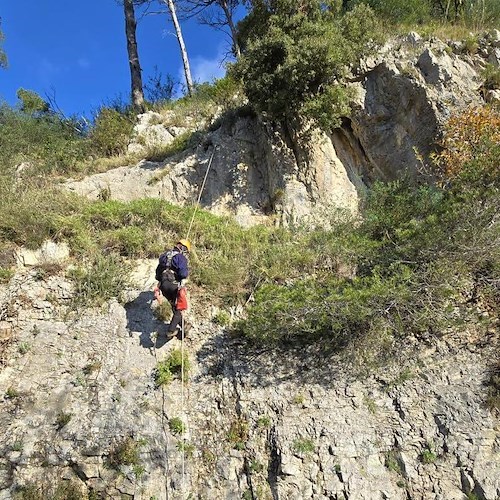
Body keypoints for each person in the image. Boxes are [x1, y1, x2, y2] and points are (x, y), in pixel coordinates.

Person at [154, 239, 191, 338]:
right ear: (183, 248)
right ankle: (171, 330)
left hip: (163, 285)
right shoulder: (180, 257)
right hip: (173, 284)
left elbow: (157, 273)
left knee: (174, 306)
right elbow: (183, 274)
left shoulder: (164, 256)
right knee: (179, 308)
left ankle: (184, 324)